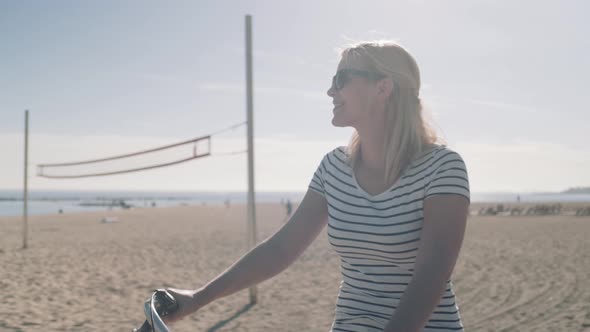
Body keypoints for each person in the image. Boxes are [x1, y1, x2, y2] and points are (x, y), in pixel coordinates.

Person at [162, 41, 470, 332]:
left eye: (341, 79)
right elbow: (281, 249)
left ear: (383, 87)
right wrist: (197, 297)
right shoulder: (334, 167)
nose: (330, 90)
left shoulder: (442, 167)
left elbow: (431, 274)